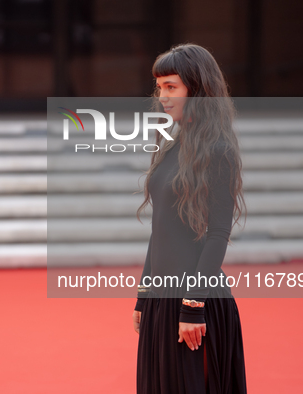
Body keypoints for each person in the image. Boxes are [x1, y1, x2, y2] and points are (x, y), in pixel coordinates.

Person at [132, 43, 248, 394]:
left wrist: (194, 305)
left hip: (195, 303)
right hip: (161, 303)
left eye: (171, 87)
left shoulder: (220, 151)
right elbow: (160, 228)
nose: (162, 96)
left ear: (196, 90)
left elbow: (218, 235)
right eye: (159, 87)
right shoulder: (171, 144)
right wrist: (143, 294)